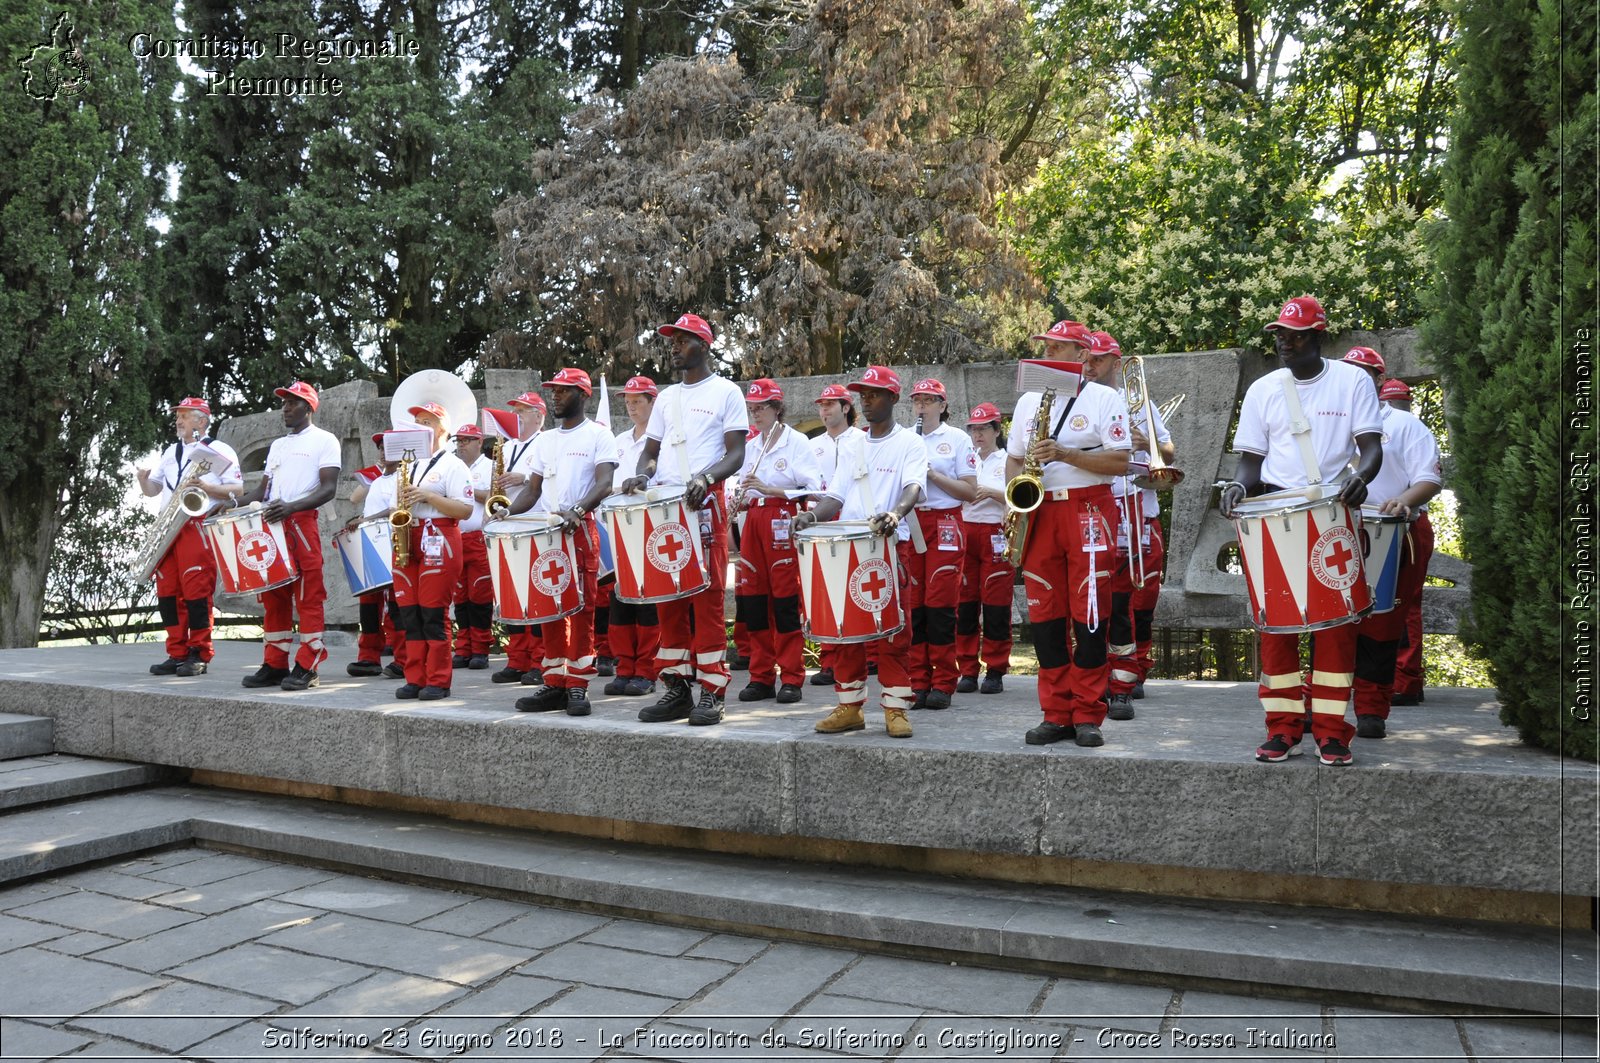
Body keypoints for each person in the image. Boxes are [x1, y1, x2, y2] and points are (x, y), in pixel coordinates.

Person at [1220, 296, 1383, 766]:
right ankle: (1283, 728)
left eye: (1294, 336)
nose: (1284, 344)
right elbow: (1250, 462)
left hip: (1332, 511)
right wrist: (1236, 485)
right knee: (1277, 628)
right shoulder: (1264, 389)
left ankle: (1332, 733)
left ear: (1319, 337)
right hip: (1274, 515)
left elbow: (1370, 449)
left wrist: (1362, 478)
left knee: (1335, 629)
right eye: (1279, 336)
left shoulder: (1351, 381)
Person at [617, 313, 747, 726]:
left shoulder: (726, 392)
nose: (674, 347)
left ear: (704, 345)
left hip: (704, 501)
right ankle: (676, 688)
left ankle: (712, 691)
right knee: (667, 597)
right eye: (671, 340)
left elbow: (736, 453)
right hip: (665, 504)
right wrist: (643, 473)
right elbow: (651, 450)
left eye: (682, 340)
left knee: (706, 600)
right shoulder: (668, 397)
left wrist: (707, 478)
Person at [1010, 322, 1133, 748]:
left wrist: (1064, 453)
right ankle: (1055, 712)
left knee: (1091, 612)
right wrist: (1016, 504)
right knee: (1045, 616)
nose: (1048, 352)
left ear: (1081, 354)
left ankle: (1087, 713)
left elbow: (1120, 461)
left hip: (1089, 508)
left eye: (1058, 346)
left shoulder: (1104, 398)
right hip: (1040, 511)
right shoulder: (1029, 400)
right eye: (1045, 345)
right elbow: (1012, 459)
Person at [793, 365, 927, 738]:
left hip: (887, 545)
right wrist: (811, 516)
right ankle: (849, 706)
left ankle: (896, 708)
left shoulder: (909, 443)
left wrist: (894, 514)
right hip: (848, 545)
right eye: (863, 394)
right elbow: (835, 494)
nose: (866, 401)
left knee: (894, 632)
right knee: (844, 630)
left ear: (894, 398)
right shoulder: (850, 443)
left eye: (875, 394)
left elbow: (913, 488)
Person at [503, 368, 619, 717]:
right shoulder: (546, 440)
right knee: (548, 606)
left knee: (581, 608)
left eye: (563, 391)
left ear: (583, 395)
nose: (555, 396)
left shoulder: (599, 435)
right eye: (553, 391)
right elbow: (532, 490)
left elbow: (605, 484)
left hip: (579, 528)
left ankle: (578, 685)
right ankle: (554, 682)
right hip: (548, 531)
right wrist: (506, 512)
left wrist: (578, 508)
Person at [1341, 348, 1441, 736]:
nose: (1355, 379)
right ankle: (1327, 706)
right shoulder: (1328, 422)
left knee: (1385, 623)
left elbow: (1429, 478)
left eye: (1363, 373)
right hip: (1338, 532)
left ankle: (1371, 708)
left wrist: (1404, 500)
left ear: (1379, 380)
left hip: (1397, 530)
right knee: (1332, 622)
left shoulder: (1403, 424)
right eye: (1348, 372)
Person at [1080, 330, 1176, 722]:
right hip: (1096, 508)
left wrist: (1144, 442)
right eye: (1087, 359)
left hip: (1136, 507)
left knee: (1131, 600)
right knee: (1095, 600)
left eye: (1099, 360)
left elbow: (1168, 452)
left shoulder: (1138, 403)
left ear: (1116, 364)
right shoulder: (1078, 401)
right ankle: (1100, 676)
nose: (1090, 366)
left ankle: (1127, 675)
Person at [235, 381, 341, 691]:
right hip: (272, 524)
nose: (285, 408)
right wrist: (227, 504)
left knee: (308, 594)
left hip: (301, 523)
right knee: (273, 595)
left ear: (309, 408)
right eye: (283, 403)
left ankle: (308, 665)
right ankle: (275, 663)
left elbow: (328, 488)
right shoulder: (278, 446)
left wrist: (291, 507)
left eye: (292, 403)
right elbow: (261, 492)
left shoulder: (326, 440)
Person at [137, 397, 243, 677]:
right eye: (178, 415)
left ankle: (199, 651)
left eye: (184, 415)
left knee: (196, 591)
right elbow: (154, 490)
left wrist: (208, 488)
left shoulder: (219, 450)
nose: (178, 420)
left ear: (202, 421)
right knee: (167, 592)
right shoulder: (170, 451)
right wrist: (143, 481)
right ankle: (177, 651)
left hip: (196, 524)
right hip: (167, 526)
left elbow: (238, 489)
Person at [733, 379, 824, 704]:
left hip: (782, 518)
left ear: (777, 408)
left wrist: (771, 489)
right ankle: (760, 676)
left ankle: (792, 677)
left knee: (785, 602)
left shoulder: (797, 442)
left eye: (761, 408)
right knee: (755, 602)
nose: (755, 414)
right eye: (752, 409)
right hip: (753, 520)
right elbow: (739, 483)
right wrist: (739, 496)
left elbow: (815, 487)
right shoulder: (751, 445)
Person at [388, 401, 475, 700]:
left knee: (433, 614)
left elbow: (464, 510)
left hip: (439, 534)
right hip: (408, 537)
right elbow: (393, 506)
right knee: (409, 614)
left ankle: (438, 680)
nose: (421, 426)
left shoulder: (453, 464)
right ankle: (415, 677)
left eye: (428, 421)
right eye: (419, 421)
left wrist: (426, 496)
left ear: (442, 428)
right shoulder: (408, 465)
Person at [906, 378, 978, 710]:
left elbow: (970, 492)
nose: (921, 405)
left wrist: (932, 474)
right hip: (912, 521)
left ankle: (944, 680)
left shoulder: (957, 439)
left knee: (940, 604)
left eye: (929, 399)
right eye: (917, 399)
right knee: (914, 605)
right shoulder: (906, 438)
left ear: (943, 405)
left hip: (946, 520)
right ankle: (917, 680)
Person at [604, 376, 663, 697]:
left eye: (638, 401)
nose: (631, 406)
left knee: (648, 601)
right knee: (619, 600)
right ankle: (624, 667)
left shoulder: (664, 441)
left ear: (653, 403)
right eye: (627, 401)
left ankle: (647, 671)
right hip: (620, 526)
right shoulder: (619, 440)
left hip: (651, 525)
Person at [1378, 378, 1432, 704]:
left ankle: (1405, 680)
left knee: (1405, 603)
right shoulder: (1365, 427)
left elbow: (1425, 479)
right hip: (1374, 526)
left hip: (1408, 525)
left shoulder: (1412, 429)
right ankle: (1379, 676)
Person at [955, 401, 1013, 695]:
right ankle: (966, 668)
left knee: (996, 603)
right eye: (974, 429)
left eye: (984, 429)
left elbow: (1019, 496)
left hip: (995, 533)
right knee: (964, 603)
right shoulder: (966, 457)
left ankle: (995, 668)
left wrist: (990, 492)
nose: (978, 435)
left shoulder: (1007, 460)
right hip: (965, 530)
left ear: (996, 429)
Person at [492, 391, 548, 686]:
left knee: (536, 595)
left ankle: (540, 660)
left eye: (524, 411)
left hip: (534, 523)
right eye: (516, 410)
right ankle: (517, 659)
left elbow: (553, 477)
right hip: (508, 525)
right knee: (512, 594)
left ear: (539, 416)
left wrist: (523, 478)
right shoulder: (509, 446)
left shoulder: (547, 442)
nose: (518, 415)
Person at [807, 383, 858, 688]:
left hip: (852, 519)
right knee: (825, 588)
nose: (824, 411)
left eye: (830, 405)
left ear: (846, 408)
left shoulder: (863, 440)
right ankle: (829, 660)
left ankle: (869, 655)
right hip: (823, 518)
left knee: (856, 586)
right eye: (821, 405)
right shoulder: (813, 445)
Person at [344, 434, 404, 678]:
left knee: (397, 605)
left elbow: (393, 510)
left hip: (394, 544)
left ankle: (403, 659)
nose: (382, 451)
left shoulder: (403, 477)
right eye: (380, 447)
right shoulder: (378, 481)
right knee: (368, 605)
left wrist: (364, 520)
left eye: (387, 447)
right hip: (373, 544)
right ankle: (368, 657)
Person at [450, 424, 495, 670]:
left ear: (480, 442)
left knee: (480, 594)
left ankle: (480, 648)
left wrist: (467, 490)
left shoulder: (490, 466)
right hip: (458, 535)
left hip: (478, 537)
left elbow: (494, 495)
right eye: (459, 441)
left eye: (467, 440)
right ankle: (464, 647)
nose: (461, 445)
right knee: (460, 596)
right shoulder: (452, 466)